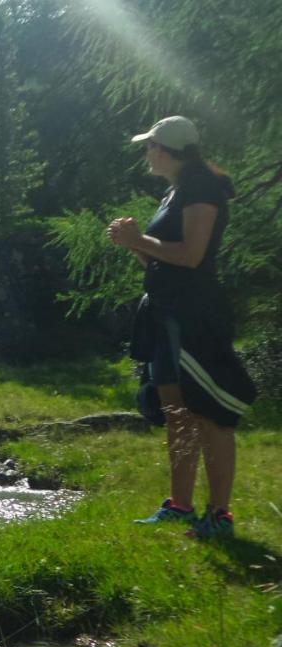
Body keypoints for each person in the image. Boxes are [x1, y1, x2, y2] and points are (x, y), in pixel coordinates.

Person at [108, 115, 256, 540]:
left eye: (150, 146)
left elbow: (192, 255)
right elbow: (160, 259)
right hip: (166, 312)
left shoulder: (201, 190)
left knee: (210, 414)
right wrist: (133, 243)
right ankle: (181, 506)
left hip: (194, 315)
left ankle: (220, 515)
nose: (146, 153)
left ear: (166, 149)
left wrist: (138, 240)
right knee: (178, 414)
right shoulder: (175, 191)